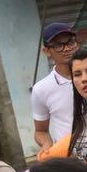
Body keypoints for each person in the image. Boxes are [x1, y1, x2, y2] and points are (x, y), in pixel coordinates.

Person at [32, 22, 79, 150]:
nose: (66, 48)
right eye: (58, 45)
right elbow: (40, 131)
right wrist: (47, 145)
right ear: (46, 51)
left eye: (70, 42)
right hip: (71, 160)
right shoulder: (41, 89)